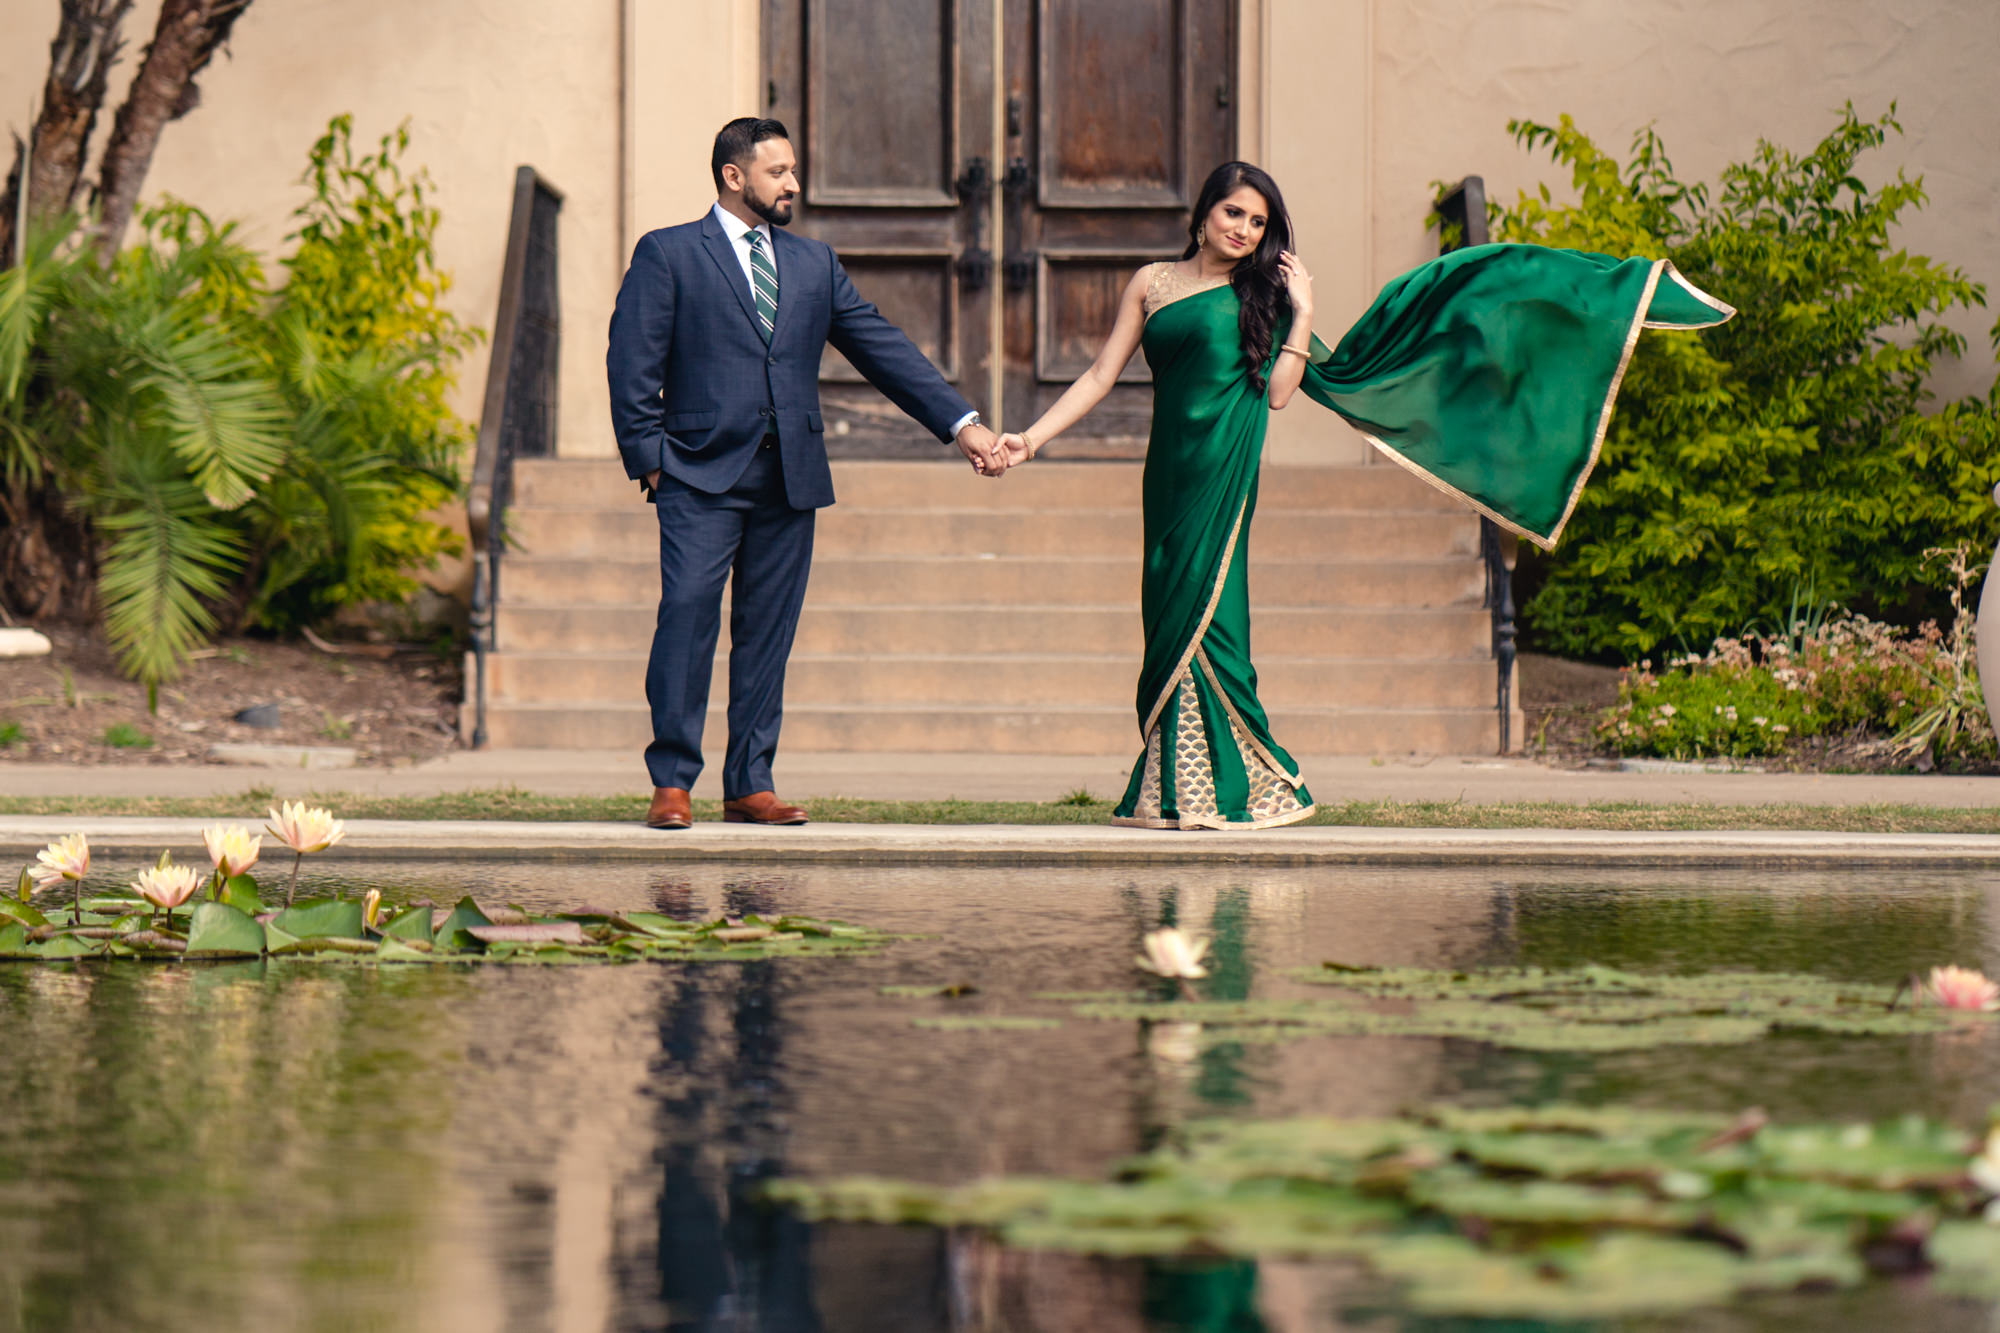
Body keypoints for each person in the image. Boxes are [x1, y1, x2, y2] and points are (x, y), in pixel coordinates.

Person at [998, 161, 1734, 830]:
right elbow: (1099, 376)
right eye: (1233, 214)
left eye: (1257, 222)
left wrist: (1304, 313)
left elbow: (1281, 394)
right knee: (1165, 615)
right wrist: (1027, 441)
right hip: (1168, 477)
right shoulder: (1151, 282)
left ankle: (1237, 786)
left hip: (1224, 474)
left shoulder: (1262, 299)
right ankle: (1169, 788)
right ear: (1203, 214)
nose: (1244, 230)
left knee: (1215, 622)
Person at [608, 116, 1008, 831]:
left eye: (793, 170)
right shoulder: (668, 254)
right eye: (778, 171)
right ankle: (672, 780)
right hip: (697, 475)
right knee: (687, 619)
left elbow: (882, 347)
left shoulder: (814, 262)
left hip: (789, 476)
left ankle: (750, 782)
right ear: (734, 176)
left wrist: (962, 424)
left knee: (768, 633)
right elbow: (631, 363)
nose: (794, 183)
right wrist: (652, 461)